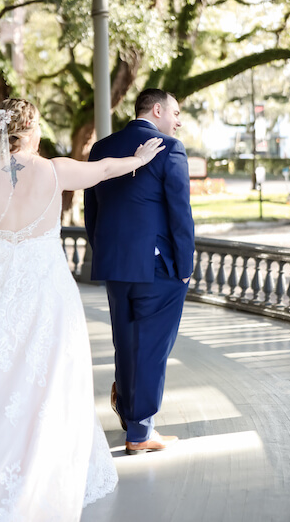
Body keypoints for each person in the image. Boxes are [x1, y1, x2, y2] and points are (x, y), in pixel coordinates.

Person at [0, 98, 165, 521]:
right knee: (48, 379)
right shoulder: (54, 170)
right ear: (30, 128)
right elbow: (102, 171)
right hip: (46, 292)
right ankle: (38, 464)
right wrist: (138, 157)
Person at [84, 88, 195, 455]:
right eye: (176, 113)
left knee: (127, 342)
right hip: (157, 268)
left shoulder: (101, 147)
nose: (178, 121)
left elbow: (92, 212)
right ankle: (140, 431)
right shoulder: (169, 148)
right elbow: (181, 215)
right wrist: (185, 268)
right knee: (150, 349)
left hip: (116, 266)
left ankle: (129, 411)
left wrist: (103, 254)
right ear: (158, 109)